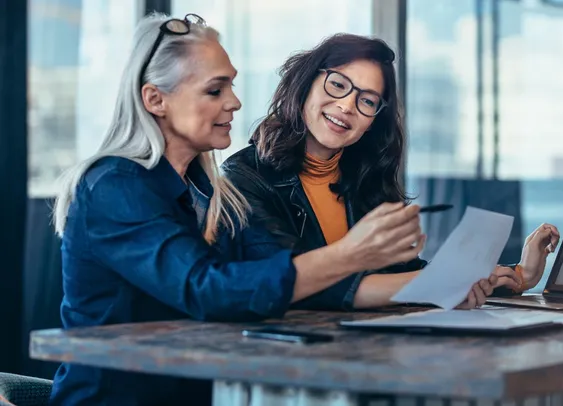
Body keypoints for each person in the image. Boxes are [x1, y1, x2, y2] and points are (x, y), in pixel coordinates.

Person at [49, 14, 499, 406]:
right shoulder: (114, 185)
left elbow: (266, 281)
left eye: (232, 84)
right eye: (215, 89)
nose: (235, 102)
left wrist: (455, 282)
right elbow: (208, 290)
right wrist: (352, 254)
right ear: (155, 100)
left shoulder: (206, 189)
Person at [221, 33, 561, 310]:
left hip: (368, 352)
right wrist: (441, 285)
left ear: (373, 122)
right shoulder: (242, 177)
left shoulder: (363, 178)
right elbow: (295, 283)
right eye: (338, 85)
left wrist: (519, 275)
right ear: (306, 83)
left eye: (367, 101)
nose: (347, 106)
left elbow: (402, 274)